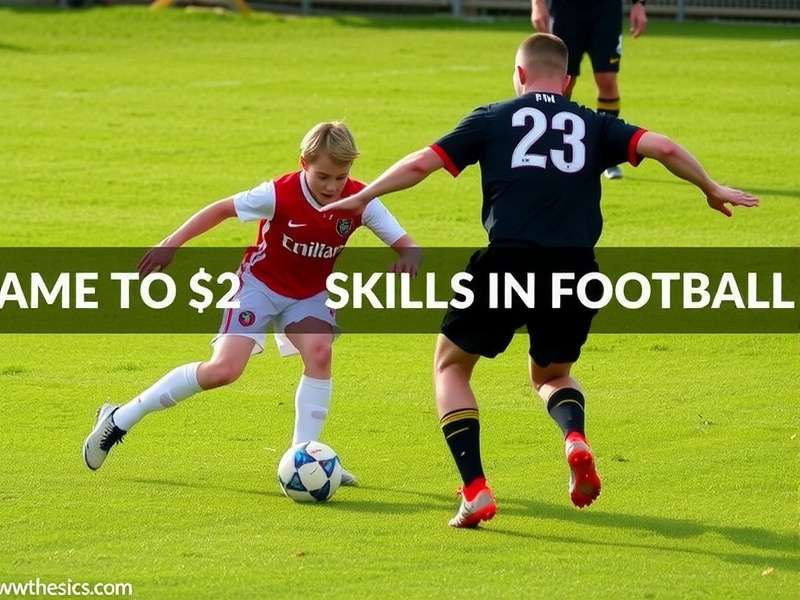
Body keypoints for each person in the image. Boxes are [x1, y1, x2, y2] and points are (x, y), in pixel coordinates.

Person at [321, 34, 758, 528]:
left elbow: (423, 163)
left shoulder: (492, 117)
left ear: (520, 74)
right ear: (569, 81)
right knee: (551, 376)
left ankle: (476, 490)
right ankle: (574, 438)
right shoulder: (595, 123)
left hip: (506, 263)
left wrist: (366, 195)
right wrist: (710, 186)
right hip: (576, 270)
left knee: (451, 368)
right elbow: (664, 146)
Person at [83, 121, 421, 485]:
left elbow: (407, 244)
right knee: (223, 371)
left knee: (320, 353)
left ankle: (304, 460)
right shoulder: (278, 194)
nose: (332, 186)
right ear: (303, 163)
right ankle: (119, 418)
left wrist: (409, 259)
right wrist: (172, 243)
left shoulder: (360, 200)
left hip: (308, 295)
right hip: (258, 286)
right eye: (323, 176)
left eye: (341, 177)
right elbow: (221, 209)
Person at [531, 0, 648, 179]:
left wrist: (638, 4)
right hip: (565, 11)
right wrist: (537, 4)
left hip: (606, 10)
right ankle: (555, 148)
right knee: (562, 82)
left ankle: (606, 153)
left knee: (607, 79)